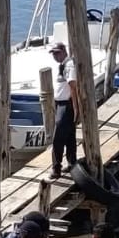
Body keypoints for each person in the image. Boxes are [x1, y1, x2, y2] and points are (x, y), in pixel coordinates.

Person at [47, 43, 79, 180]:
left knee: (58, 138)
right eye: (53, 53)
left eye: (57, 53)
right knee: (69, 136)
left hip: (67, 105)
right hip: (60, 104)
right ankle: (72, 163)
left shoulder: (69, 65)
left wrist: (76, 107)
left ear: (64, 51)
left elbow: (73, 86)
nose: (55, 56)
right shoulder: (62, 65)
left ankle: (56, 168)